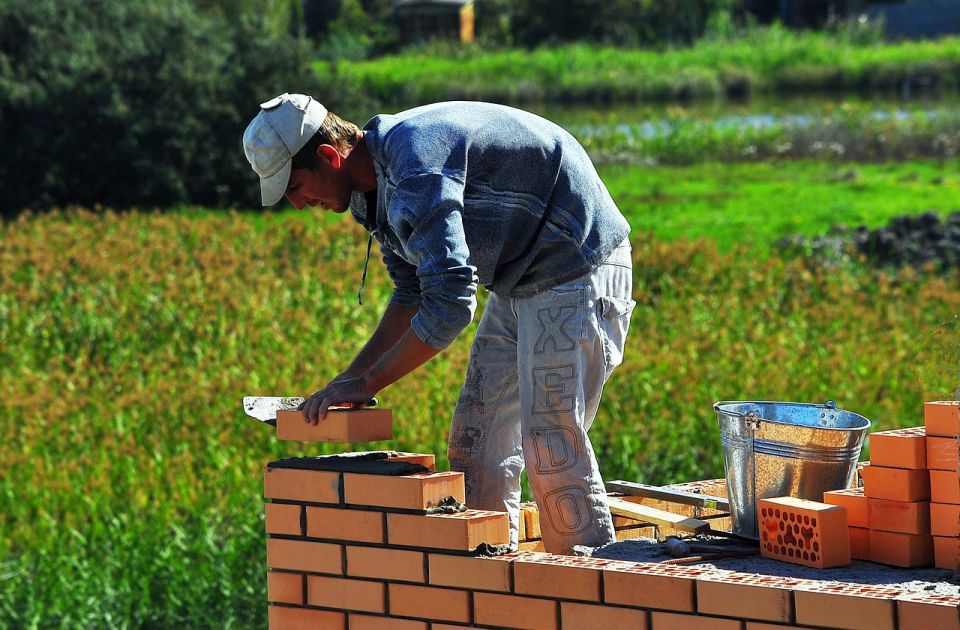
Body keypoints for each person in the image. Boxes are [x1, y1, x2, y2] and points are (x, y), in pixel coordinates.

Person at [243, 93, 635, 554]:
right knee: (476, 442)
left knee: (550, 441)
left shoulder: (415, 166)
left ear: (330, 157)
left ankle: (587, 594)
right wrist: (347, 381)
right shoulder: (369, 195)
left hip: (574, 260)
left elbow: (450, 305)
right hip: (519, 276)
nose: (297, 203)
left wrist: (367, 381)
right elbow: (413, 293)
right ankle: (493, 583)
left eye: (295, 187)